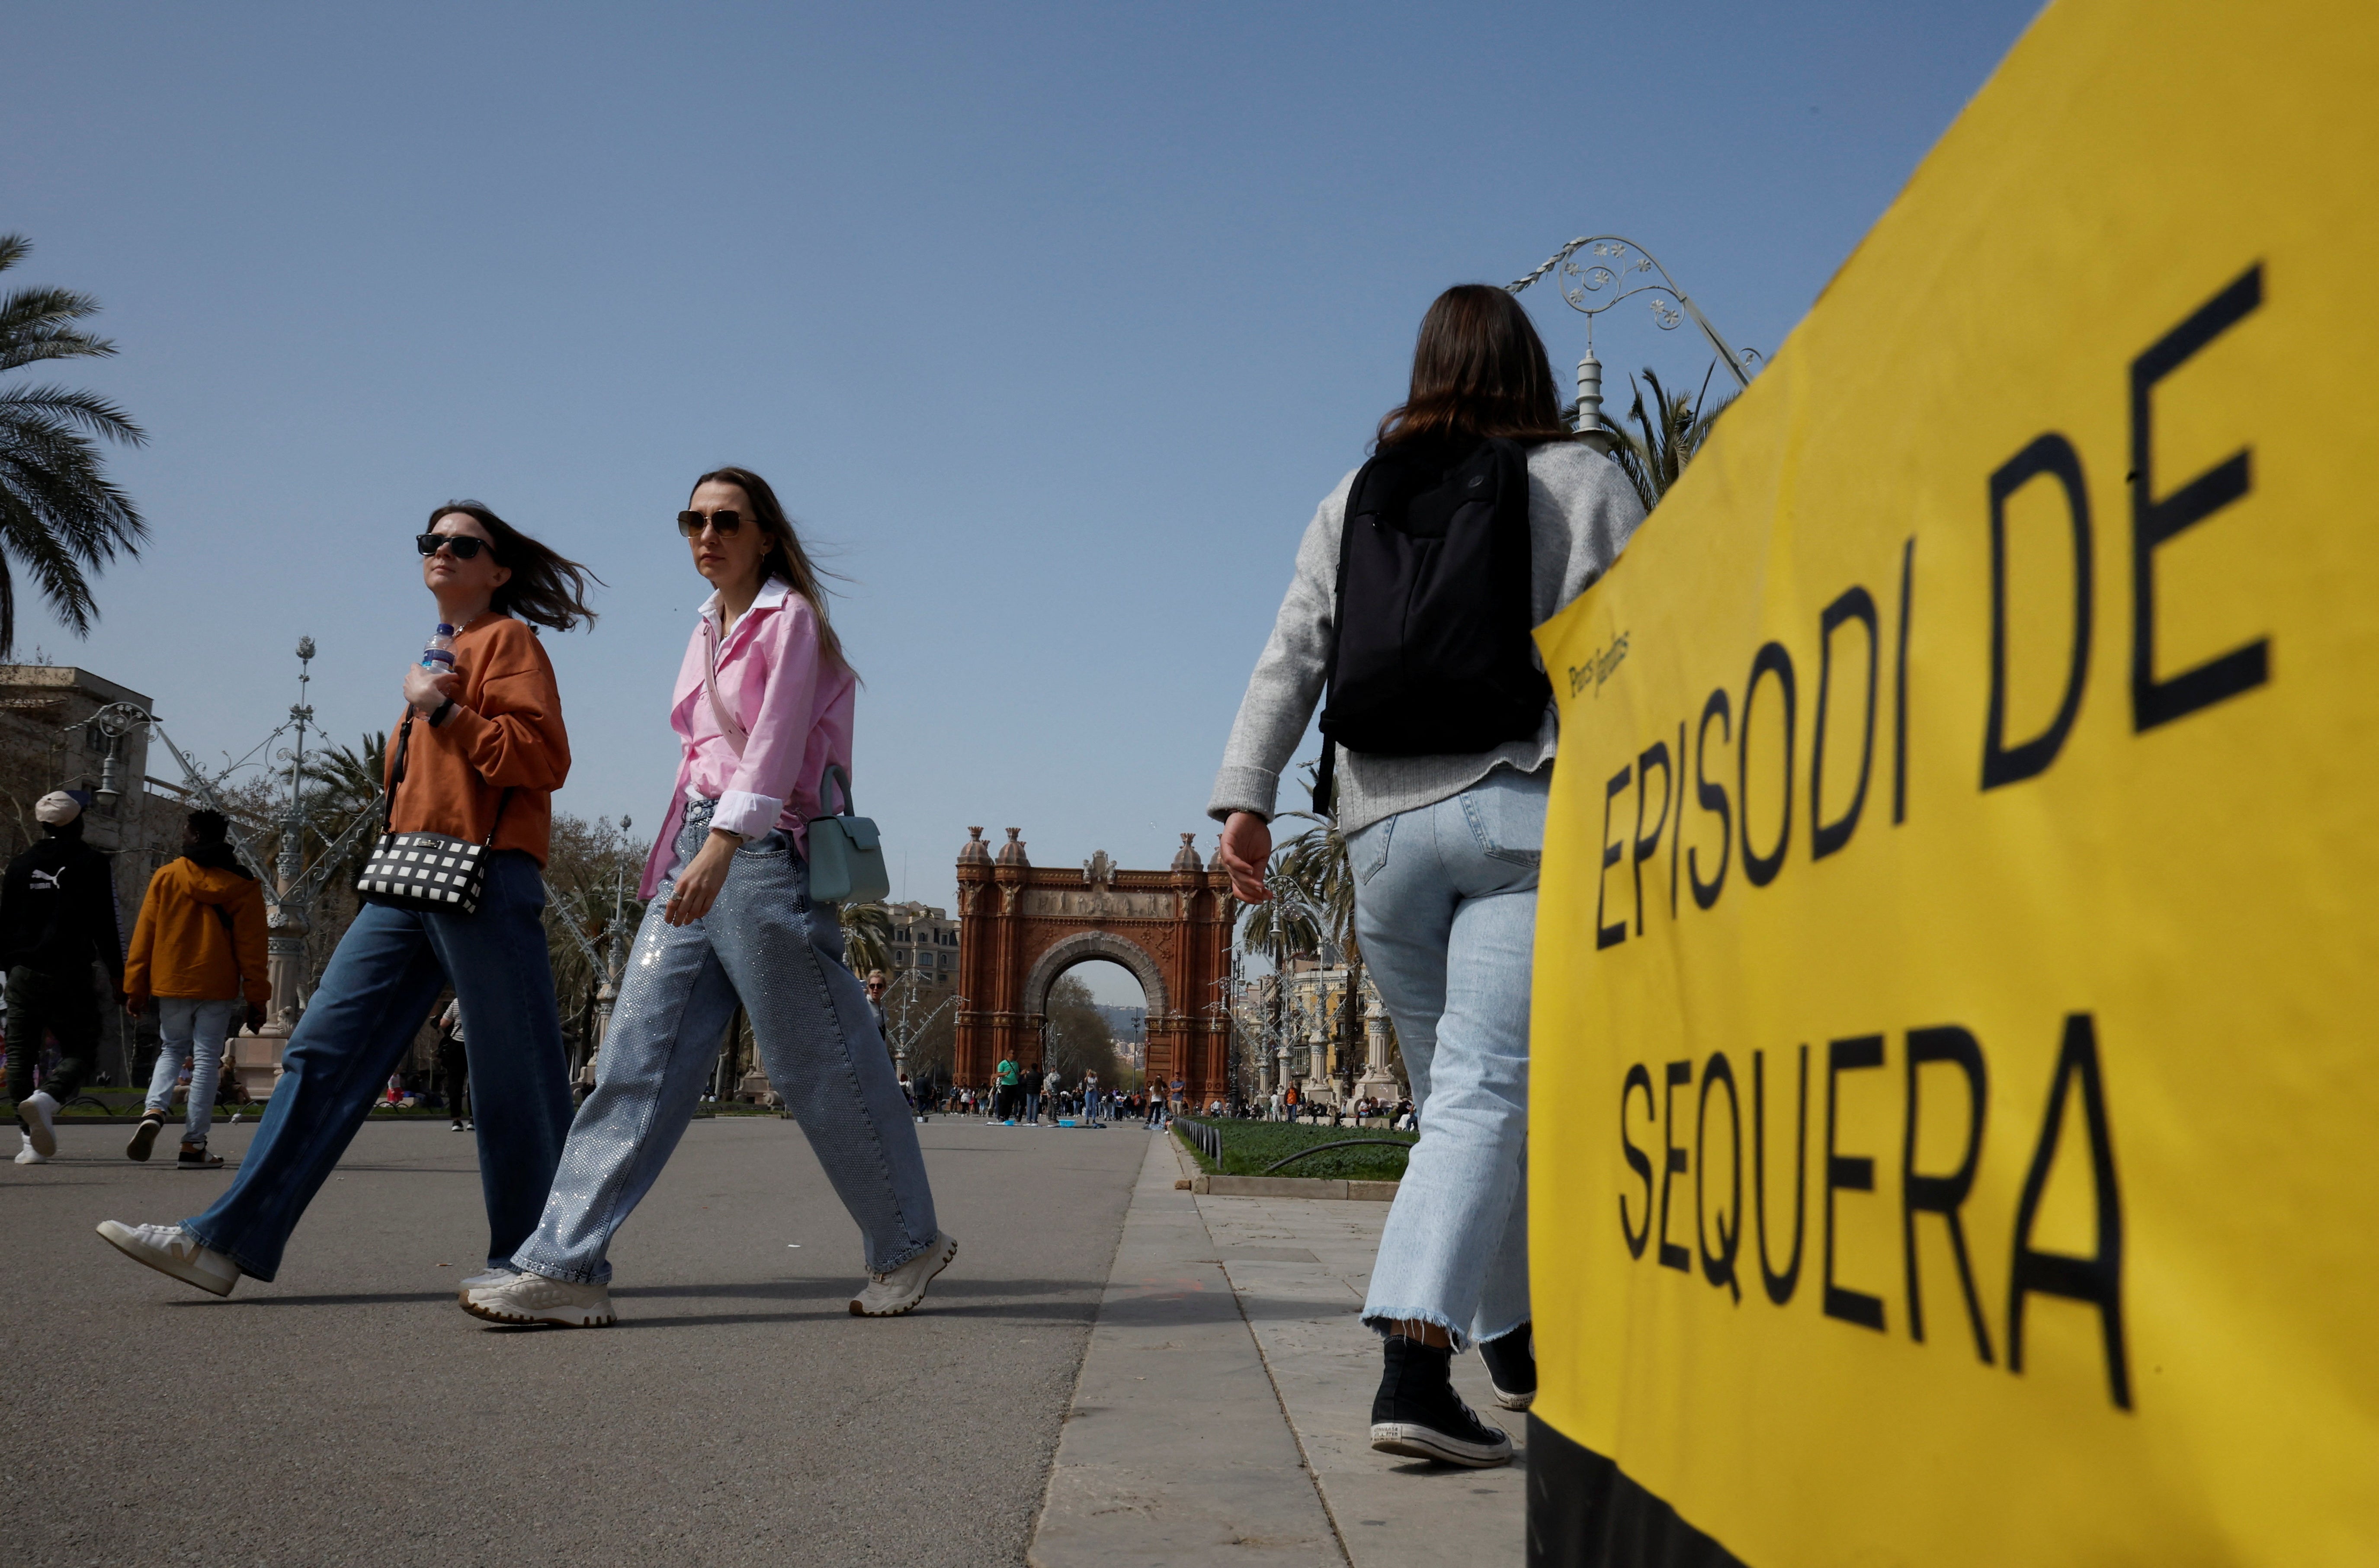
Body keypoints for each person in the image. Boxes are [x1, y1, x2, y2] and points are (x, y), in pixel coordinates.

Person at [1210, 284, 1645, 1468]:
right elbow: (1644, 650)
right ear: (1531, 369)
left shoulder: (1353, 498)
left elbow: (1292, 648)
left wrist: (1243, 798)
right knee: (1485, 1095)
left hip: (1383, 842)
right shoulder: (1583, 478)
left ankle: (1512, 1343)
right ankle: (1413, 1362)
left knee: (1463, 1099)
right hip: (1521, 820)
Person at [463, 466, 952, 1329]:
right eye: (692, 519)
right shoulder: (705, 625)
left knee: (819, 1060)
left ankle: (907, 1242)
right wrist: (675, 858)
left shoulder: (789, 619)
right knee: (633, 1059)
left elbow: (774, 742)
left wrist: (723, 846)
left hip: (761, 856)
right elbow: (697, 760)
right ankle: (564, 1263)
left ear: (765, 535)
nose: (705, 534)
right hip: (697, 851)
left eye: (726, 520)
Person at [96, 500, 593, 1296]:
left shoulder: (508, 642)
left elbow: (541, 757)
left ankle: (550, 1263)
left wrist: (444, 709)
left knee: (513, 1075)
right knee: (321, 1051)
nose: (442, 552)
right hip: (406, 880)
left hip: (486, 873)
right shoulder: (440, 651)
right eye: (431, 541)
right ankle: (224, 1239)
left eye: (463, 544)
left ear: (498, 570)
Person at [122, 810, 269, 1169]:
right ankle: (193, 1145)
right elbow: (253, 947)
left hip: (172, 981)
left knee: (171, 1050)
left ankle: (155, 1109)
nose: (183, 837)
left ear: (198, 837)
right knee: (206, 1061)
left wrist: (136, 987)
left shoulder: (167, 876)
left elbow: (145, 936)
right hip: (217, 985)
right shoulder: (243, 884)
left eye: (187, 832)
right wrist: (257, 997)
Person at [6, 790, 125, 1164]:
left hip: (23, 974)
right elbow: (106, 925)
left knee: (21, 1056)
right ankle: (47, 1099)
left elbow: (4, 923)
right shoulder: (92, 863)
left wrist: (10, 972)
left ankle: (29, 1144)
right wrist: (120, 977)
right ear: (77, 823)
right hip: (70, 973)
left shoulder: (20, 864)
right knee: (82, 1049)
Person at [436, 998, 471, 1132]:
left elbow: (443, 1023)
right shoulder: (483, 998)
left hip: (457, 1045)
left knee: (455, 1083)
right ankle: (473, 1119)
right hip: (475, 1045)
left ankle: (456, 1120)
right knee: (474, 1084)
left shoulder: (458, 1001)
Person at [994, 1053, 1019, 1122]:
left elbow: (1017, 1073)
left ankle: (1007, 1117)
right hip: (1005, 1084)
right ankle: (1001, 1116)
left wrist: (1022, 1073)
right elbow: (998, 1074)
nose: (1014, 1055)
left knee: (1011, 1102)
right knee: (1004, 1101)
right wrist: (1005, 1074)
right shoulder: (1002, 1064)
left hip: (1014, 1084)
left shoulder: (1016, 1064)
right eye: (1012, 1053)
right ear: (1008, 1055)